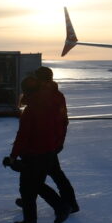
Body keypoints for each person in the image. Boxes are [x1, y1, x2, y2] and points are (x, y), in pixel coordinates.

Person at [8, 76, 71, 223]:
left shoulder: (31, 109)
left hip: (34, 154)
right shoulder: (50, 104)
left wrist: (13, 155)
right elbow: (59, 125)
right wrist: (56, 145)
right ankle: (36, 218)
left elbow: (23, 135)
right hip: (48, 151)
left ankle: (58, 208)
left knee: (28, 186)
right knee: (34, 185)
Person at [34, 66, 79, 214]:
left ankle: (65, 204)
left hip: (45, 143)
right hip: (52, 142)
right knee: (51, 173)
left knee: (35, 175)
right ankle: (70, 202)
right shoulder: (57, 95)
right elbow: (63, 120)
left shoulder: (46, 96)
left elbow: (47, 122)